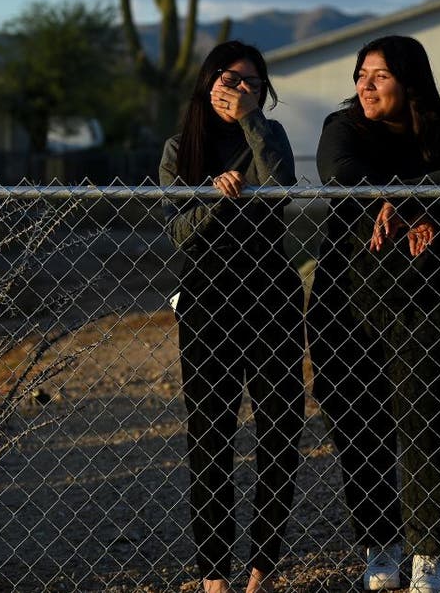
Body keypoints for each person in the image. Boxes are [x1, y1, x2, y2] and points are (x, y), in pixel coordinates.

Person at [307, 35, 440, 592]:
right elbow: (339, 173)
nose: (364, 85)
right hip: (347, 304)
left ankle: (428, 554)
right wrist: (405, 198)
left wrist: (409, 200)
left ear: (409, 81)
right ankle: (381, 545)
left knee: (424, 426)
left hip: (428, 305)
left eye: (379, 75)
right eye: (361, 74)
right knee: (356, 425)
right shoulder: (344, 127)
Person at [159, 40, 306, 593]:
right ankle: (214, 576)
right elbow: (177, 231)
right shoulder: (181, 148)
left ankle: (260, 570)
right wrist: (219, 199)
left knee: (278, 428)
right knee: (210, 435)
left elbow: (281, 188)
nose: (240, 89)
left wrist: (252, 126)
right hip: (208, 298)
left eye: (252, 82)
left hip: (271, 292)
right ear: (207, 81)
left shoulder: (268, 135)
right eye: (230, 78)